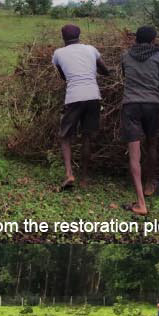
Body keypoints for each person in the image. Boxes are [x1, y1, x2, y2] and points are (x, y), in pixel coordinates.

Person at [120, 26, 159, 216]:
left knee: (134, 154)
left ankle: (140, 201)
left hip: (131, 105)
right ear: (154, 40)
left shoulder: (126, 55)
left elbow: (125, 76)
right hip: (153, 104)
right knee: (152, 144)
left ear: (136, 39)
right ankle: (149, 184)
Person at [51, 24, 110, 191]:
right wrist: (107, 72)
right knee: (87, 137)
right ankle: (84, 178)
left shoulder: (58, 54)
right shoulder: (91, 49)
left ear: (63, 38)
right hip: (93, 96)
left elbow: (63, 76)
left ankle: (69, 174)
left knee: (65, 136)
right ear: (79, 35)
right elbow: (104, 70)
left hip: (74, 97)